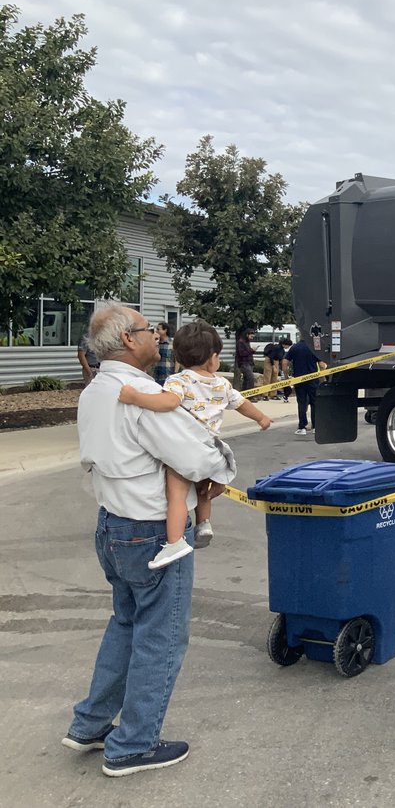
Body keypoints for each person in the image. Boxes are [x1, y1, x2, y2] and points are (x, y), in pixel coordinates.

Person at [64, 302, 236, 777]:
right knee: (160, 637)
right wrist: (222, 469)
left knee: (125, 624)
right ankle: (133, 744)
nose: (159, 336)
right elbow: (197, 457)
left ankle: (91, 723)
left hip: (113, 524)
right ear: (127, 340)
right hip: (151, 531)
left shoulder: (96, 390)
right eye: (149, 330)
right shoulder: (139, 391)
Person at [119, 322, 271, 567]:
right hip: (210, 449)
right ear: (213, 359)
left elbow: (168, 403)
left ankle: (175, 541)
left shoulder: (178, 381)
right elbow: (242, 404)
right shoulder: (222, 384)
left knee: (176, 495)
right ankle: (204, 523)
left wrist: (135, 397)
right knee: (204, 488)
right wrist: (261, 418)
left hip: (185, 448)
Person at [284, 336, 325, 434]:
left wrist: (286, 377)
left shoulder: (295, 347)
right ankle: (315, 426)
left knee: (302, 403)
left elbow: (285, 363)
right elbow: (322, 365)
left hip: (299, 380)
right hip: (313, 380)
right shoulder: (314, 348)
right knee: (315, 403)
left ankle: (302, 427)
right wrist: (322, 378)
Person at [233, 330, 256, 394]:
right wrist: (251, 351)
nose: (252, 338)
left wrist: (252, 351)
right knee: (250, 378)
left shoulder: (247, 342)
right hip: (244, 363)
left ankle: (244, 394)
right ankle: (249, 395)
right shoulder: (241, 342)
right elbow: (242, 353)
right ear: (247, 335)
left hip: (249, 362)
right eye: (251, 336)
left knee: (246, 379)